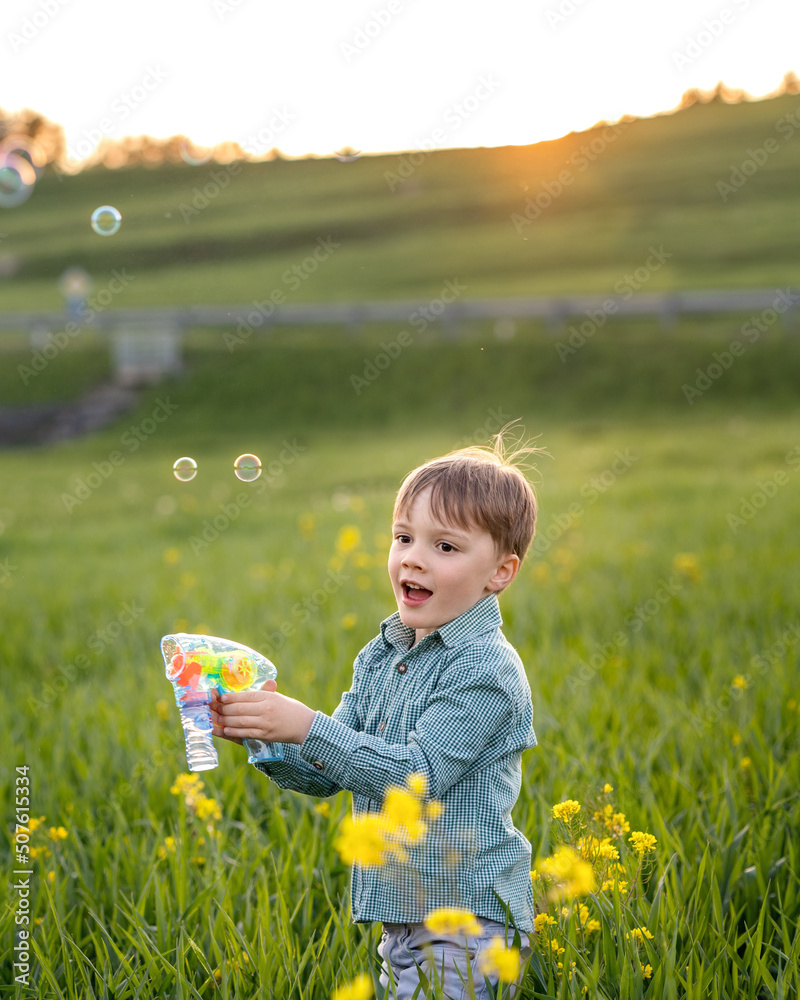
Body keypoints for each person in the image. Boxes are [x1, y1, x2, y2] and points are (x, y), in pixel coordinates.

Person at [210, 431, 541, 999]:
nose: (412, 556)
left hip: (469, 920)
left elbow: (412, 778)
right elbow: (329, 769)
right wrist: (263, 733)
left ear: (500, 573)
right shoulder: (382, 656)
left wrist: (307, 724)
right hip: (404, 918)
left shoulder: (487, 671)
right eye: (404, 537)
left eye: (446, 546)